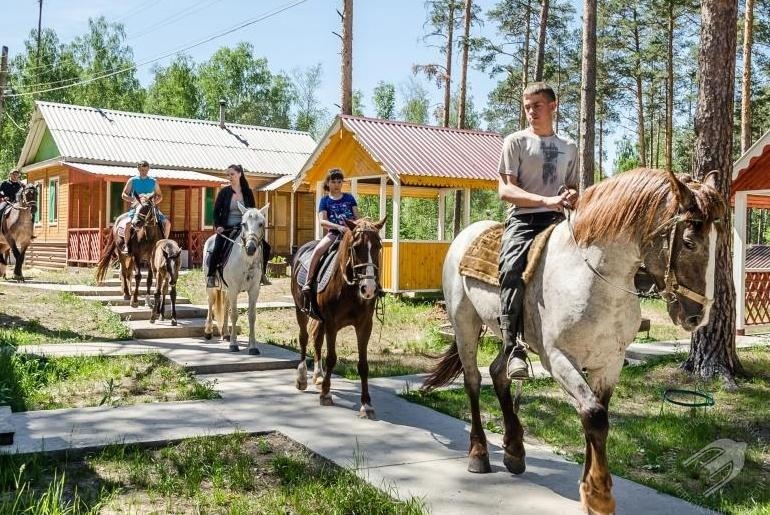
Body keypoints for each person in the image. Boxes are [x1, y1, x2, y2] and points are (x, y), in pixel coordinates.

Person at [497, 82, 578, 379]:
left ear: (553, 106)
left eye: (537, 106)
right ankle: (512, 347)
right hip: (524, 221)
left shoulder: (569, 146)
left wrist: (570, 196)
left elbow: (572, 186)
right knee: (511, 269)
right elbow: (506, 191)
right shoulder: (516, 141)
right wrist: (546, 200)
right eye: (527, 106)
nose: (531, 111)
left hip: (560, 221)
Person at [207, 164, 272, 288]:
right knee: (217, 247)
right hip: (226, 228)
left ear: (239, 174)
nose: (229, 177)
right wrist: (218, 226)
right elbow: (216, 211)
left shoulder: (248, 192)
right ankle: (211, 276)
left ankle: (262, 275)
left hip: (245, 228)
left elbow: (253, 211)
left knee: (266, 247)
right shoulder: (224, 193)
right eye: (228, 175)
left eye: (232, 174)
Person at [302, 168, 360, 294]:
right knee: (317, 251)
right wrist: (338, 227)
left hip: (351, 233)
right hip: (334, 233)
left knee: (366, 250)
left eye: (339, 182)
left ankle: (376, 282)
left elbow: (357, 217)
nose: (337, 185)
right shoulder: (324, 201)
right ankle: (309, 281)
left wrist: (354, 226)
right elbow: (322, 221)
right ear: (328, 183)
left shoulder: (349, 198)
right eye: (334, 182)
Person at [120, 160, 171, 252]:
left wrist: (154, 203)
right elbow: (124, 195)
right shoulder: (132, 180)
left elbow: (160, 196)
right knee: (128, 223)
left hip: (150, 208)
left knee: (167, 223)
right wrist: (134, 200)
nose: (144, 172)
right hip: (136, 208)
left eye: (146, 170)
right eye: (142, 170)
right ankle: (127, 245)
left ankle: (164, 244)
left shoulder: (153, 181)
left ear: (148, 169)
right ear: (138, 169)